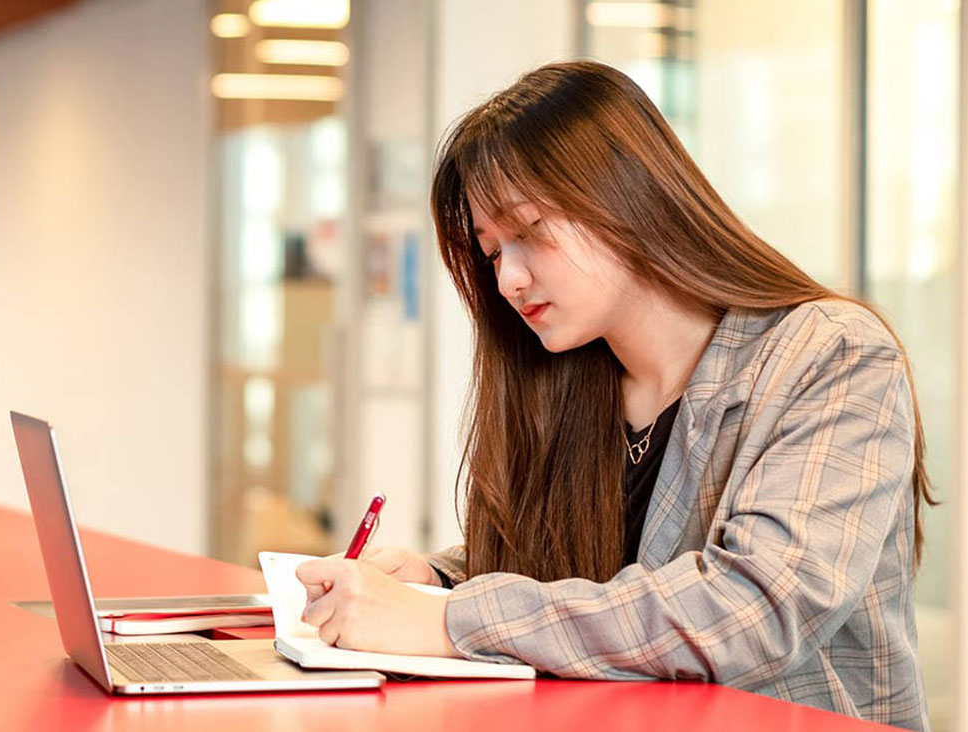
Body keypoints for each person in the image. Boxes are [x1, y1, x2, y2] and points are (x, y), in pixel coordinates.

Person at [295, 60, 934, 731]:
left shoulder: (830, 354)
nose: (509, 279)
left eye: (530, 232)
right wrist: (441, 578)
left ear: (628, 198)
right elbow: (577, 574)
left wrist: (452, 619)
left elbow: (757, 607)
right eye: (491, 252)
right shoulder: (572, 377)